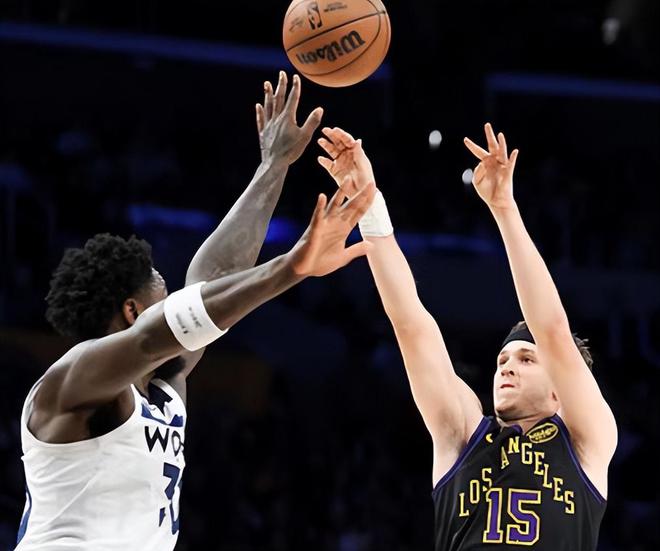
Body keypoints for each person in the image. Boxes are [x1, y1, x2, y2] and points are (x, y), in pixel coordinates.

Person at [15, 71, 375, 551]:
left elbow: (213, 283)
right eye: (162, 291)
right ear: (131, 310)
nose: (176, 300)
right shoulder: (73, 377)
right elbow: (157, 334)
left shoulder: (166, 384)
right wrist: (291, 267)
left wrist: (273, 166)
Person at [316, 124, 617, 550]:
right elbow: (411, 325)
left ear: (559, 391)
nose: (507, 368)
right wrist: (369, 203)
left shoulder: (586, 442)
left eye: (526, 359)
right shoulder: (463, 434)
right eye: (502, 360)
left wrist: (504, 209)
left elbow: (553, 332)